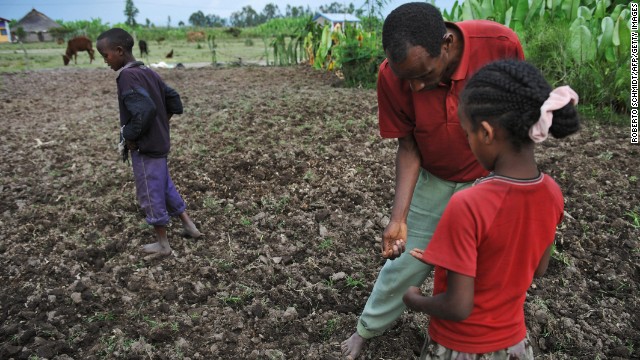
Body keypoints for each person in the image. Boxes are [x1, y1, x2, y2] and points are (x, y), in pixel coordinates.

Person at [341, 3, 524, 359]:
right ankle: (367, 328)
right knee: (405, 259)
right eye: (406, 78)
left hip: (490, 180)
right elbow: (408, 146)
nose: (416, 86)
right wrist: (398, 218)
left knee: (489, 269)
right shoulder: (393, 76)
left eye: (423, 75)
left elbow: (517, 120)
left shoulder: (499, 45)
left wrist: (508, 186)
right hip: (437, 178)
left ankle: (498, 338)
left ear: (447, 44)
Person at [402, 59, 580, 359]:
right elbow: (538, 267)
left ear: (486, 133)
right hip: (513, 345)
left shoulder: (468, 204)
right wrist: (447, 255)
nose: (468, 141)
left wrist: (415, 299)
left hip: (460, 346)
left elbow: (458, 306)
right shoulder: (551, 192)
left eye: (467, 133)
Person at [96, 28, 201, 256]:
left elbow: (144, 110)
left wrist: (131, 137)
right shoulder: (148, 71)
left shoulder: (126, 76)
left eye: (106, 55)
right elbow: (173, 99)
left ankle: (163, 244)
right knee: (164, 185)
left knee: (149, 191)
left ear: (119, 51)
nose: (105, 61)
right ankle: (188, 226)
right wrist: (162, 123)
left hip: (146, 147)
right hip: (160, 141)